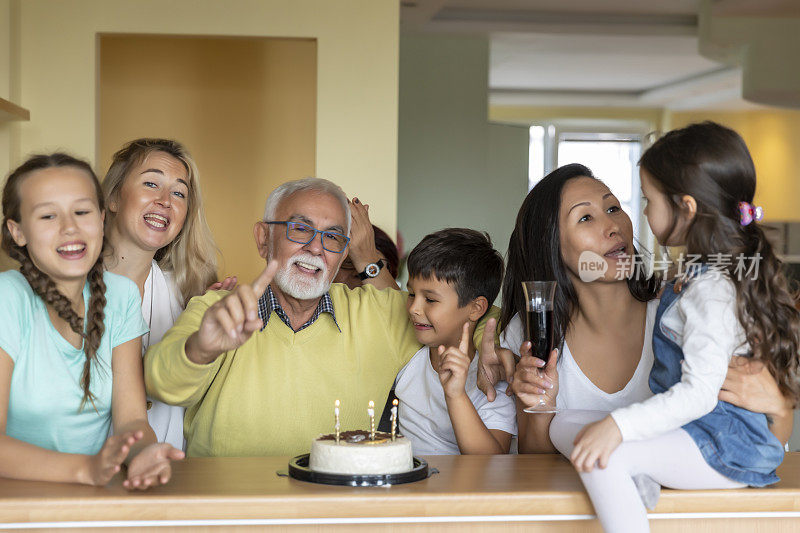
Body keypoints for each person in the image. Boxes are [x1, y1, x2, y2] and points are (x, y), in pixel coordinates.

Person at [144, 177, 498, 456]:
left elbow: (463, 310)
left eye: (332, 237)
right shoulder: (217, 310)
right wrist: (201, 349)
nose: (316, 247)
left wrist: (492, 339)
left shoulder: (382, 315)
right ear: (263, 239)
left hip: (337, 514)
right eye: (300, 229)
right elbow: (160, 384)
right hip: (230, 511)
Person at [562, 122, 800, 532]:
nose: (641, 212)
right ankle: (640, 477)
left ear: (685, 208)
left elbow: (699, 396)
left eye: (648, 200)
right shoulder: (697, 274)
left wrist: (618, 428)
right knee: (566, 425)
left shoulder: (711, 291)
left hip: (723, 446)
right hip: (699, 433)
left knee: (606, 453)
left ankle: (630, 481)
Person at [476, 163, 793, 457]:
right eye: (586, 217)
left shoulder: (679, 314)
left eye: (613, 208)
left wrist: (778, 409)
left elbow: (751, 447)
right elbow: (535, 467)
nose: (612, 225)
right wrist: (538, 406)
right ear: (550, 246)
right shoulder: (533, 329)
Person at [0, 153, 183, 488]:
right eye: (48, 216)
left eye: (82, 212)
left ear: (101, 219)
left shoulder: (122, 296)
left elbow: (131, 420)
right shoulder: (6, 299)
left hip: (92, 500)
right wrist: (84, 469)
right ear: (18, 232)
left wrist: (143, 451)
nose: (70, 228)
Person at [102, 138, 232, 450]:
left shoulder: (191, 297)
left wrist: (204, 323)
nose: (165, 200)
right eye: (151, 183)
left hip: (168, 479)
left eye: (179, 193)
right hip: (76, 480)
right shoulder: (62, 290)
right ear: (113, 197)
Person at [396, 228, 515, 454]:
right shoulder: (405, 355)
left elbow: (493, 463)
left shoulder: (491, 376)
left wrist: (456, 395)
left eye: (430, 299)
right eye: (411, 294)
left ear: (475, 308)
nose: (413, 308)